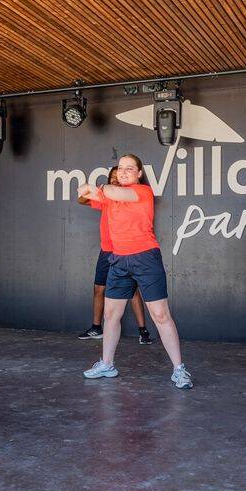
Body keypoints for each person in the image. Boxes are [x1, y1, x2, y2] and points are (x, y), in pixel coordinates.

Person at [77, 154, 191, 389]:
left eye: (130, 168)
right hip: (118, 260)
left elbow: (113, 192)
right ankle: (107, 364)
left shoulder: (142, 192)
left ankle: (179, 369)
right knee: (110, 315)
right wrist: (83, 189)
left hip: (145, 258)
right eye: (121, 168)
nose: (124, 171)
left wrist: (96, 187)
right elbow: (84, 198)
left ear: (139, 173)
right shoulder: (110, 196)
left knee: (160, 315)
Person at [77, 166, 152, 345]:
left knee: (132, 292)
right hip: (107, 251)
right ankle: (96, 328)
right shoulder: (106, 199)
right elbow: (82, 200)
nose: (115, 180)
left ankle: (143, 331)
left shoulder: (134, 196)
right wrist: (90, 189)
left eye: (117, 178)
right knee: (99, 288)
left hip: (125, 251)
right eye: (112, 178)